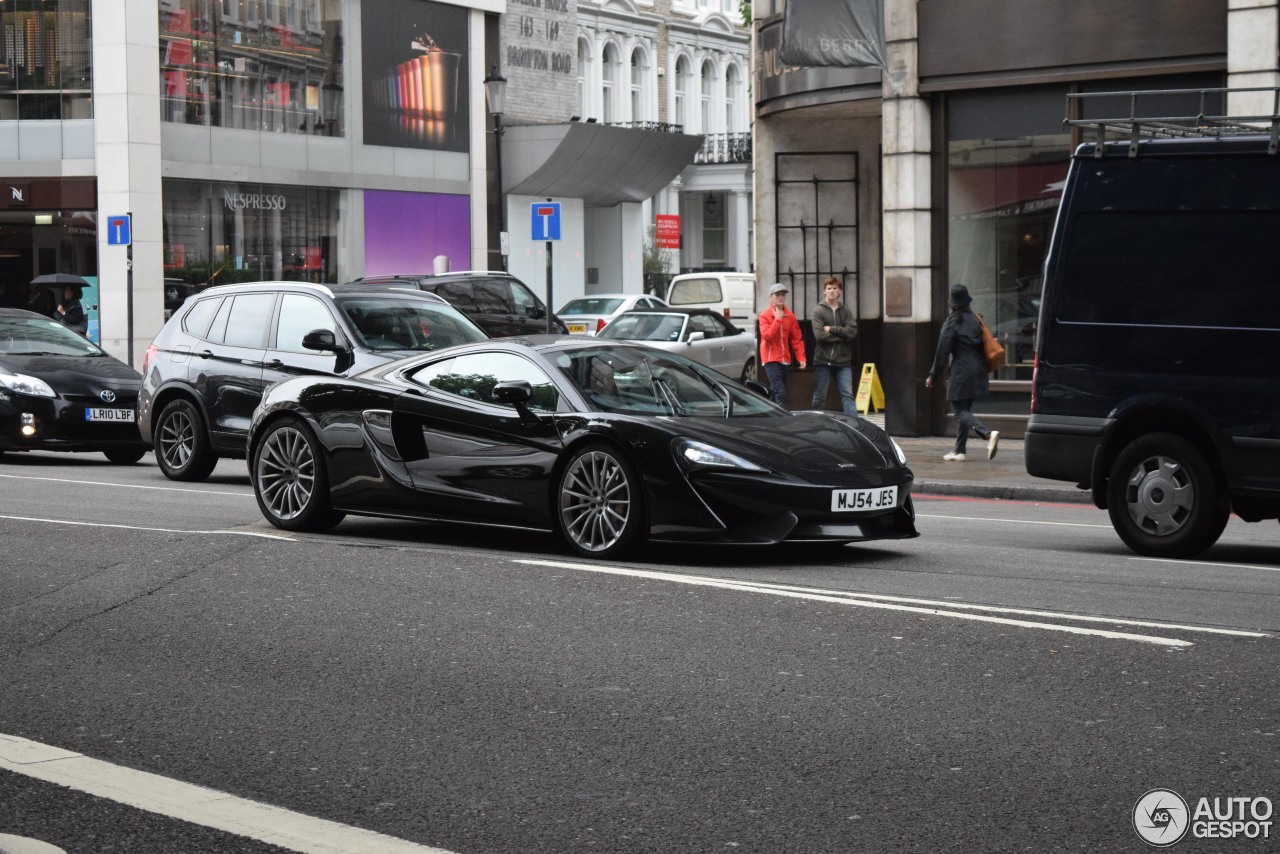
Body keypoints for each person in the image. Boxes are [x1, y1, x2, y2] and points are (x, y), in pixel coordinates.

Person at [925, 283, 1000, 461]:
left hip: (962, 372)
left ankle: (988, 434)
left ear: (952, 303)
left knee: (959, 411)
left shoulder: (952, 322)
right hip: (979, 371)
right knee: (965, 409)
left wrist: (932, 376)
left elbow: (941, 353)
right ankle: (959, 450)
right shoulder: (976, 319)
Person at [810, 276, 858, 414]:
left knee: (848, 394)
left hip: (843, 361)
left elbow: (853, 331)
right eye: (829, 288)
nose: (831, 291)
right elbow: (820, 336)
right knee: (819, 396)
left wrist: (831, 329)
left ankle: (853, 425)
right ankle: (814, 422)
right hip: (823, 361)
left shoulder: (845, 311)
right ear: (824, 291)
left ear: (840, 291)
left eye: (834, 288)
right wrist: (842, 337)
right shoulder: (818, 311)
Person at [758, 282, 806, 409]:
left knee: (775, 391)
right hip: (770, 359)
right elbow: (767, 336)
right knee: (781, 393)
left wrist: (801, 357)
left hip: (785, 359)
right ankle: (783, 420)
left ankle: (768, 415)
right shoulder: (765, 316)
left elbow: (796, 338)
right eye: (777, 295)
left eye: (783, 295)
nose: (780, 297)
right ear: (771, 298)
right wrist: (777, 320)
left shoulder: (790, 316)